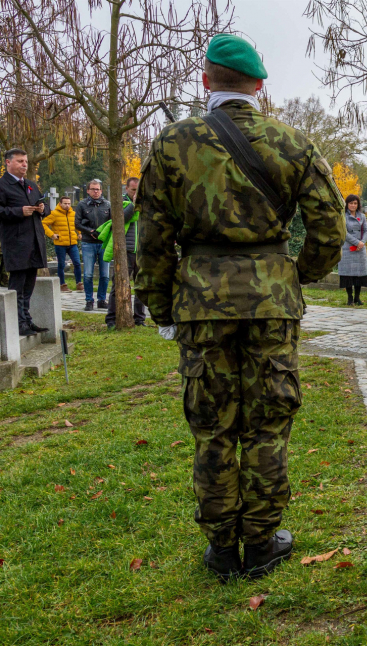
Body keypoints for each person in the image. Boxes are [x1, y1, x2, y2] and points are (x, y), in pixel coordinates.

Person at [134, 34, 346, 580]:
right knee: (269, 423)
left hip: (201, 301)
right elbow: (329, 227)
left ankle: (222, 548)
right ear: (260, 86)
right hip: (272, 300)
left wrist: (160, 308)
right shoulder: (292, 142)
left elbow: (153, 235)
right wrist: (296, 276)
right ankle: (263, 539)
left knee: (212, 426)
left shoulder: (172, 143)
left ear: (206, 81)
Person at [0, 148, 49, 336]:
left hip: (34, 241)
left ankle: (27, 320)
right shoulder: (2, 185)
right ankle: (17, 323)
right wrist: (19, 211)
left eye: (26, 161)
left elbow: (46, 210)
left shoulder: (31, 184)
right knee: (17, 287)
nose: (24, 165)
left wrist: (42, 209)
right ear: (8, 163)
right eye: (20, 161)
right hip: (16, 243)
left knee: (29, 287)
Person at [105, 177, 147, 329]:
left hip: (140, 251)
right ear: (127, 189)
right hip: (125, 251)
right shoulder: (120, 202)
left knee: (141, 286)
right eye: (133, 190)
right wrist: (134, 204)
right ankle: (111, 318)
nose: (136, 193)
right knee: (118, 285)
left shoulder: (145, 203)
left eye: (138, 190)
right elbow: (120, 219)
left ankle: (140, 318)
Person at [75, 179, 112, 310]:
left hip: (103, 243)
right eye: (93, 189)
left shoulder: (108, 204)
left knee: (105, 275)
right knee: (88, 274)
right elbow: (77, 223)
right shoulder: (82, 205)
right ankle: (89, 300)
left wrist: (103, 233)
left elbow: (112, 222)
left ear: (101, 190)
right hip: (88, 243)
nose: (96, 192)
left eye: (98, 189)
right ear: (88, 190)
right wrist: (89, 231)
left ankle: (102, 299)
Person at [43, 195, 83, 293]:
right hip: (60, 243)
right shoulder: (54, 214)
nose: (67, 205)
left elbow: (77, 224)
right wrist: (52, 234)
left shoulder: (73, 214)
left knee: (77, 263)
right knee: (61, 265)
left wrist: (80, 233)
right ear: (60, 203)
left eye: (69, 203)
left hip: (72, 243)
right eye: (65, 203)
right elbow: (43, 223)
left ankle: (79, 283)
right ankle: (62, 285)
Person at [338, 194, 367, 306]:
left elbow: (366, 230)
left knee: (359, 274)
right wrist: (357, 242)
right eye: (351, 203)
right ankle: (350, 298)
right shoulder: (343, 216)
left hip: (359, 249)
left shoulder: (362, 216)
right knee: (348, 275)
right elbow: (344, 232)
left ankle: (357, 298)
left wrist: (362, 242)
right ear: (347, 204)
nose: (353, 205)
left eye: (355, 203)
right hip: (348, 249)